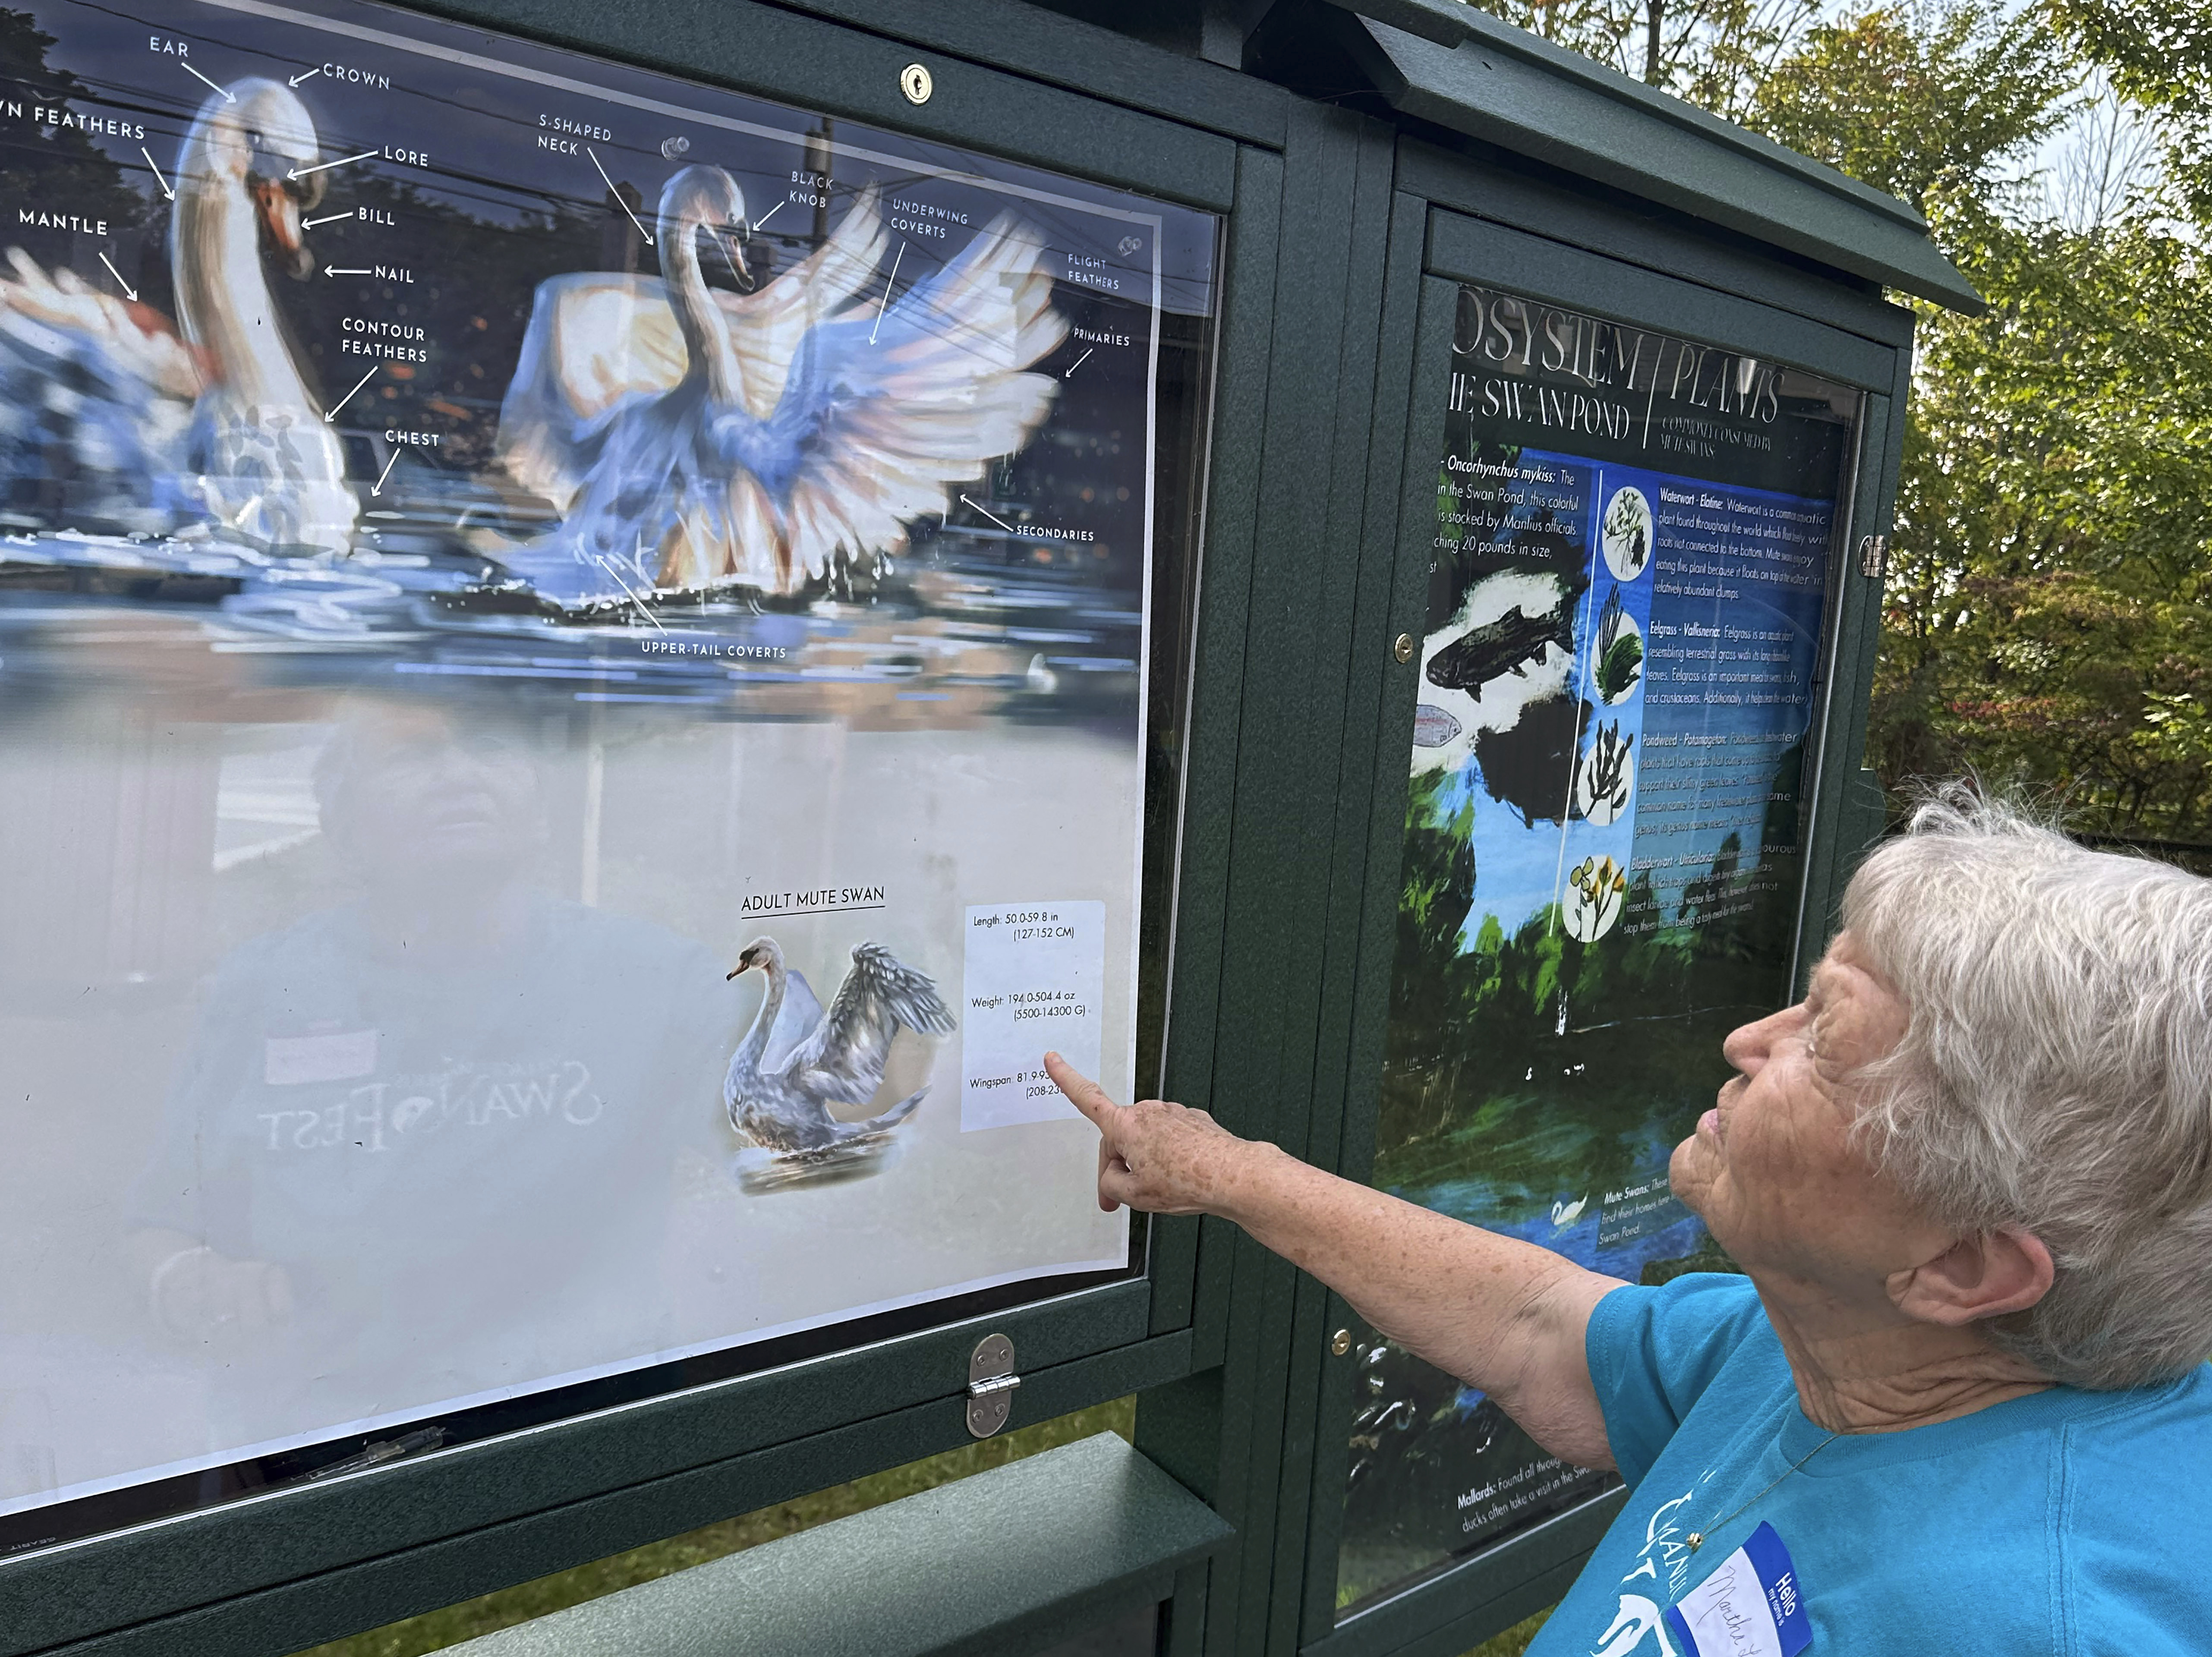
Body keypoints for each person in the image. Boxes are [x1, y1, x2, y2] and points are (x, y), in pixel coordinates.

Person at [1046, 793, 2212, 1654]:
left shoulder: (2030, 1623)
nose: (1749, 1042)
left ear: (1962, 1265)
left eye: (1826, 1041)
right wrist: (1226, 1172)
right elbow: (1543, 1327)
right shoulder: (1853, 1348)